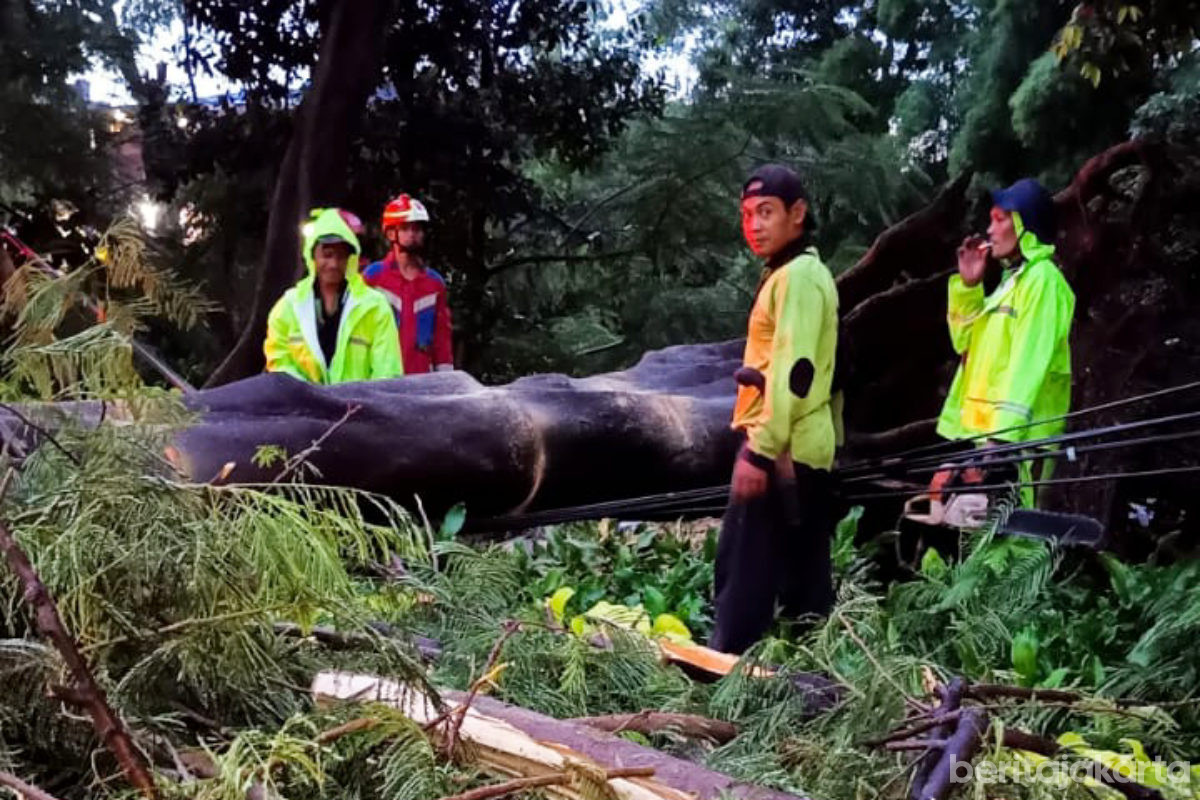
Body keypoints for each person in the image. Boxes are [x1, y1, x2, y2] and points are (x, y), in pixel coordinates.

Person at [709, 164, 840, 655]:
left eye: (766, 212)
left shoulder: (801, 277)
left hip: (785, 450)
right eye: (746, 215)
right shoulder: (791, 274)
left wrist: (759, 452)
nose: (754, 225)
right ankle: (818, 685)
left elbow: (795, 371)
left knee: (743, 578)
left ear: (798, 213)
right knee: (802, 583)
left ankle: (721, 678)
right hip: (798, 447)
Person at [936, 178, 1075, 506]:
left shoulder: (1043, 282)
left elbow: (1029, 364)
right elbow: (964, 345)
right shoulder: (1011, 283)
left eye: (1000, 219)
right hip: (990, 443)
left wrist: (1001, 442)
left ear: (1026, 226)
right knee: (986, 548)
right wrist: (969, 287)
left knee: (1020, 547)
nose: (989, 230)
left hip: (1019, 447)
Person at [264, 207, 404, 384]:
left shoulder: (375, 307)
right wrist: (309, 397)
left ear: (350, 260)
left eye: (341, 256)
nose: (333, 264)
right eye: (327, 255)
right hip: (305, 409)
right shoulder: (288, 307)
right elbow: (279, 362)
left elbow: (388, 371)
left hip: (359, 408)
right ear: (312, 256)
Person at [361, 193, 454, 374]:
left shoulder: (434, 283)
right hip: (382, 378)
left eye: (417, 229)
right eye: (405, 228)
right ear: (390, 233)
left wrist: (446, 381)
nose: (413, 234)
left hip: (422, 382)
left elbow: (442, 340)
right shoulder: (373, 277)